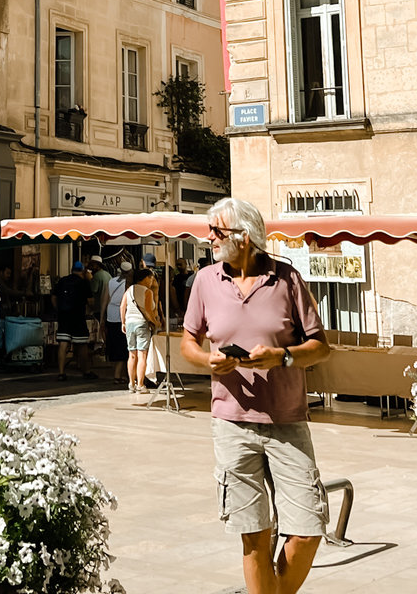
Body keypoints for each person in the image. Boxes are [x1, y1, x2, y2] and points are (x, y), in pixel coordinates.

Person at [180, 198, 331, 594]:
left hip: (287, 422)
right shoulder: (205, 281)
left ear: (244, 236)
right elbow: (188, 342)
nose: (210, 238)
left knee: (308, 530)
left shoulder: (287, 279)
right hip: (231, 424)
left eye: (217, 231)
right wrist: (208, 361)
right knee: (254, 535)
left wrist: (282, 357)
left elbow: (320, 347)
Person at [53, 260, 96, 381]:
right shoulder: (84, 283)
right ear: (83, 271)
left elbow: (53, 297)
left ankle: (61, 372)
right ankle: (86, 371)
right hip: (78, 316)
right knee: (82, 344)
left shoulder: (62, 281)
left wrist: (58, 309)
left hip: (63, 315)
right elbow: (91, 301)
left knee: (63, 343)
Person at [121, 266, 159, 392]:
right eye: (151, 279)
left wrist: (123, 322)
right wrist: (155, 322)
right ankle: (140, 384)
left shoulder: (129, 290)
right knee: (142, 355)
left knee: (132, 355)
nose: (151, 282)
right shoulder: (147, 292)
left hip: (129, 323)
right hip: (142, 324)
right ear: (145, 278)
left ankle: (131, 383)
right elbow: (148, 310)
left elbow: (122, 306)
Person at [101, 260, 133, 383]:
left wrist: (102, 317)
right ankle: (119, 375)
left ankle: (119, 373)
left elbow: (105, 300)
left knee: (114, 344)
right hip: (123, 316)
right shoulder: (129, 283)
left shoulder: (111, 281)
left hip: (111, 315)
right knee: (123, 346)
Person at [87, 254, 111, 349]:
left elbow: (92, 291)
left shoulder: (96, 276)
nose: (91, 267)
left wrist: (89, 280)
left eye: (93, 265)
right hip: (108, 307)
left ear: (97, 265)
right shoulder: (108, 274)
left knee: (101, 328)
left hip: (99, 307)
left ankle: (103, 346)